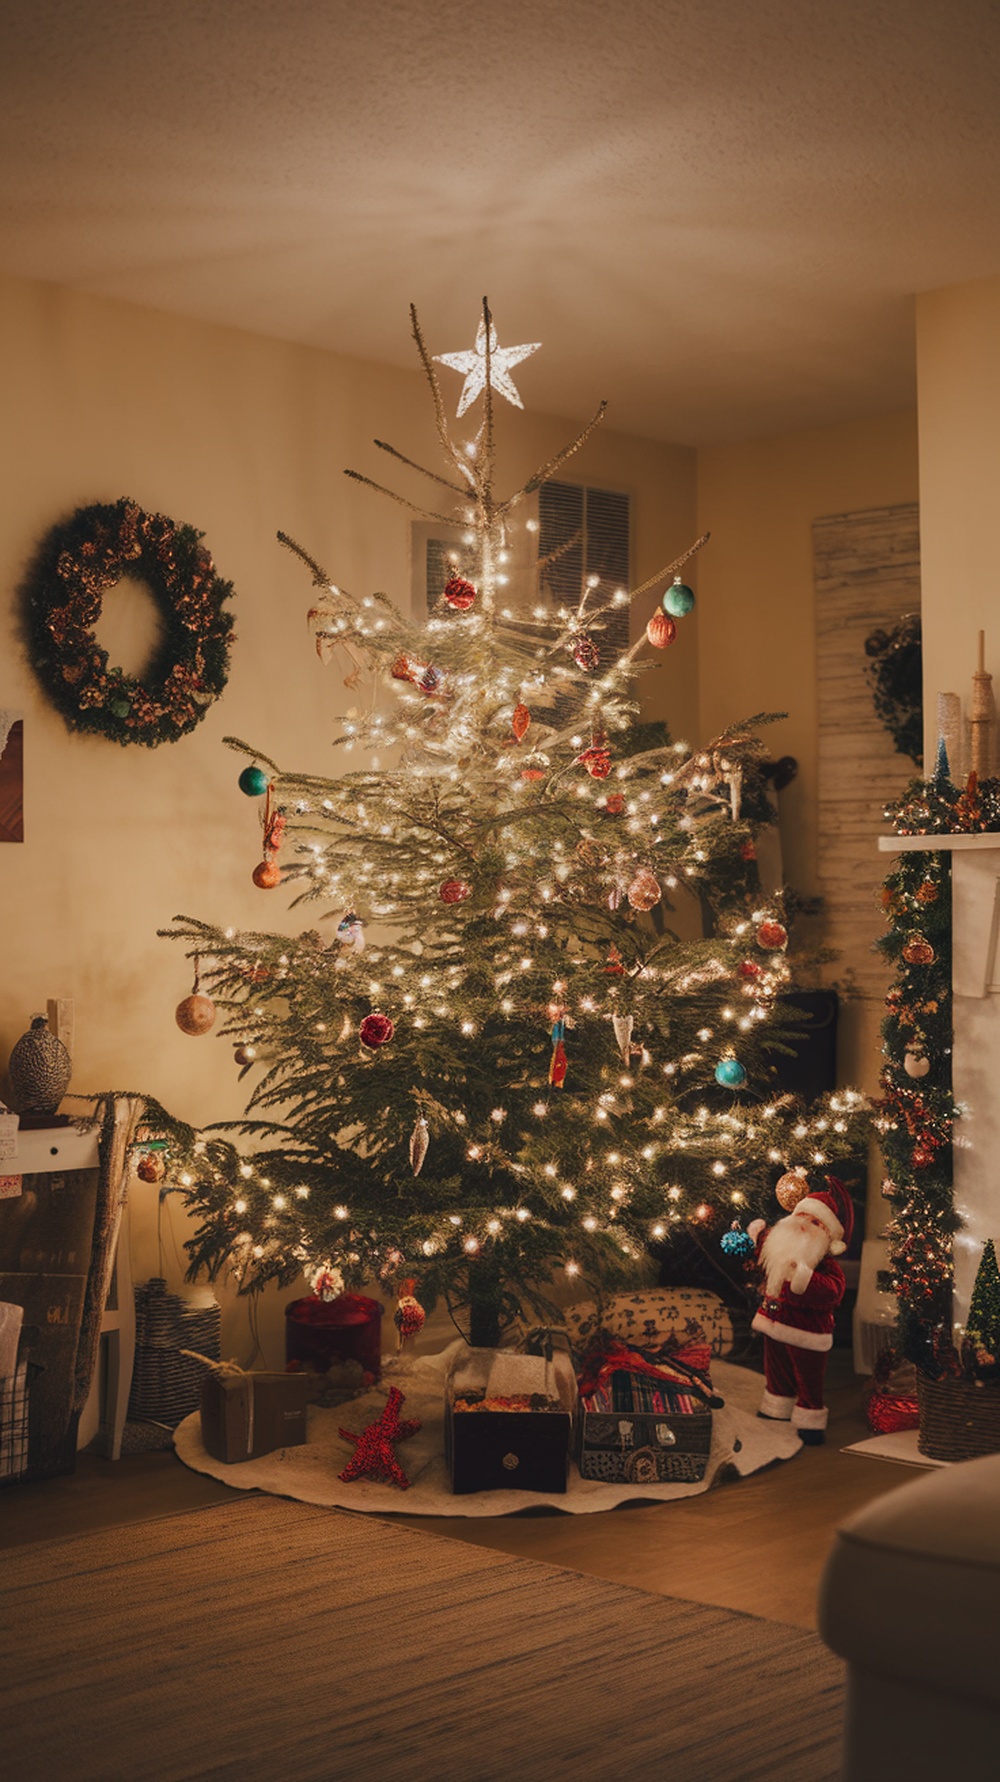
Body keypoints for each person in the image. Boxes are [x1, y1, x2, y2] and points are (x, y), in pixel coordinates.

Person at [747, 1176, 854, 1444]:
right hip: (773, 1321)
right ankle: (776, 1406)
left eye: (816, 1222)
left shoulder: (825, 1264)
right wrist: (758, 1234)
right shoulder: (782, 1241)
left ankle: (810, 1418)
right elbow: (768, 1245)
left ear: (828, 1236)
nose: (806, 1224)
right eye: (803, 1216)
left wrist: (805, 1277)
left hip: (807, 1332)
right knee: (776, 1369)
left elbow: (833, 1292)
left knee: (808, 1378)